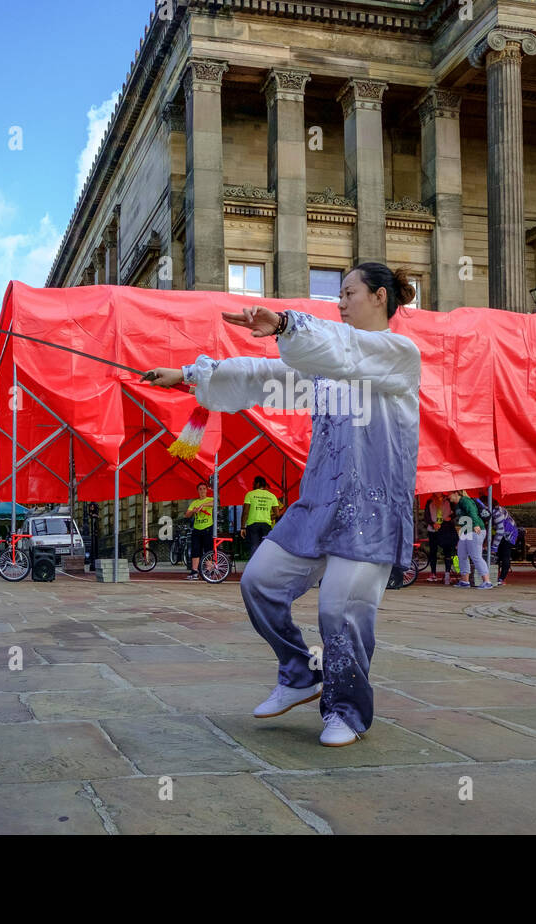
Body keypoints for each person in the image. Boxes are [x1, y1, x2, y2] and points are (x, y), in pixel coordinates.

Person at [145, 262, 420, 747]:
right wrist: (188, 375)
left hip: (370, 509)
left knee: (339, 610)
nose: (339, 301)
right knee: (258, 583)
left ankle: (347, 710)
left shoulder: (400, 355)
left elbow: (349, 351)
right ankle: (298, 672)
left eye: (348, 292)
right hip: (318, 504)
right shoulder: (327, 368)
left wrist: (288, 324)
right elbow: (265, 373)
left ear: (379, 297)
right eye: (338, 293)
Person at [449, 489, 493, 589]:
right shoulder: (458, 504)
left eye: (449, 494)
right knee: (462, 555)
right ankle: (465, 581)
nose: (448, 496)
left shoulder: (465, 500)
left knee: (476, 556)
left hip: (474, 530)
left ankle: (487, 581)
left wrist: (476, 524)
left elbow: (472, 511)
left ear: (456, 493)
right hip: (466, 531)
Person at [479, 496, 519, 585]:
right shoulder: (488, 512)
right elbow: (488, 527)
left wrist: (494, 547)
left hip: (509, 534)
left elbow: (500, 531)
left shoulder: (497, 513)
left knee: (505, 555)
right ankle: (493, 576)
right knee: (497, 556)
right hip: (499, 532)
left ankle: (502, 578)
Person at [184, 481, 215, 580]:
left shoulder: (210, 499)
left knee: (208, 550)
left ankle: (209, 570)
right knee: (195, 550)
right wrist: (194, 510)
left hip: (208, 528)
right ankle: (194, 572)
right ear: (197, 491)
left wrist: (204, 505)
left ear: (207, 490)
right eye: (200, 489)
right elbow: (187, 514)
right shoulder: (194, 502)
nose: (202, 491)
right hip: (197, 529)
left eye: (204, 489)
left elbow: (215, 503)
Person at [242, 476, 280, 555]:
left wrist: (242, 527)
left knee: (254, 546)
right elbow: (277, 515)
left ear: (258, 484)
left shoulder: (250, 494)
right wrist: (267, 517)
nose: (253, 485)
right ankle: (264, 566)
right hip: (266, 526)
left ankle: (253, 566)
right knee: (265, 548)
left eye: (254, 483)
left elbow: (245, 512)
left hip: (253, 526)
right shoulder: (272, 496)